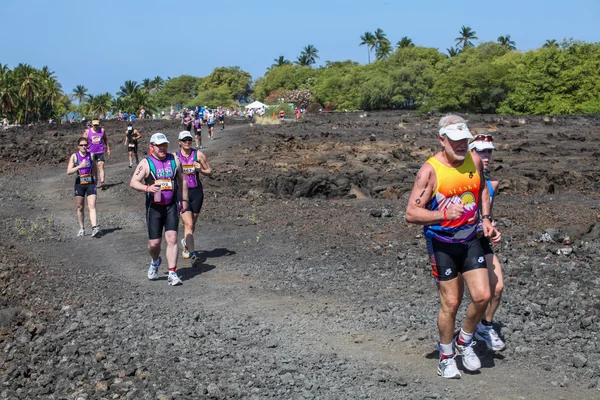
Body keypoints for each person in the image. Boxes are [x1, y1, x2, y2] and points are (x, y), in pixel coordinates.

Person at [405, 114, 501, 379]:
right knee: (452, 302)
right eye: (456, 141)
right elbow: (411, 213)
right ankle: (446, 356)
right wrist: (443, 215)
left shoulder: (474, 161)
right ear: (442, 139)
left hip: (470, 238)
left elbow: (482, 189)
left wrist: (485, 219)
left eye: (465, 141)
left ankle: (464, 342)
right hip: (442, 243)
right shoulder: (430, 171)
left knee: (483, 296)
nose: (461, 146)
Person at [129, 133, 188, 286]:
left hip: (171, 206)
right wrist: (147, 188)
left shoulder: (174, 159)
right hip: (154, 208)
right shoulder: (146, 163)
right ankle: (155, 261)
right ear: (152, 147)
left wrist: (185, 200)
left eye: (164, 145)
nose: (162, 148)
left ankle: (172, 273)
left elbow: (182, 180)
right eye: (159, 145)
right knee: (154, 244)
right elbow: (133, 182)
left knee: (172, 239)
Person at [468, 132, 506, 352]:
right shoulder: (462, 179)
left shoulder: (492, 183)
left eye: (489, 151)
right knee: (465, 296)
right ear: (471, 151)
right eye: (481, 151)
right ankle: (463, 335)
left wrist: (491, 226)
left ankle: (485, 325)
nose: (486, 155)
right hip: (461, 241)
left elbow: (486, 213)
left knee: (497, 287)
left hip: (481, 240)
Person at [175, 131, 212, 263]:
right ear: (179, 142)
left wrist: (200, 170)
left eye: (189, 139)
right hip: (181, 193)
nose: (187, 142)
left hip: (196, 192)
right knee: (188, 224)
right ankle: (192, 253)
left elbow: (209, 171)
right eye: (184, 140)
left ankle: (186, 242)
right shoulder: (175, 157)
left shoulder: (198, 154)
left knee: (192, 224)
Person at [67, 137, 101, 238]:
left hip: (90, 182)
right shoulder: (74, 156)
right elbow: (68, 171)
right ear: (78, 146)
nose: (83, 147)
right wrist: (79, 166)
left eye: (85, 145)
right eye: (81, 145)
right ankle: (82, 228)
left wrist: (96, 177)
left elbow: (94, 167)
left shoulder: (91, 155)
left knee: (92, 206)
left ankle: (94, 227)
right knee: (80, 207)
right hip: (79, 183)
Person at [83, 119, 110, 190]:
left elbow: (105, 139)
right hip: (91, 152)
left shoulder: (102, 130)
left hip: (100, 151)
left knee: (101, 166)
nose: (96, 126)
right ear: (92, 125)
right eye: (94, 125)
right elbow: (83, 142)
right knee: (93, 167)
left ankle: (102, 182)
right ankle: (95, 181)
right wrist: (83, 151)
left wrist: (108, 149)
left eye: (97, 125)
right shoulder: (87, 131)